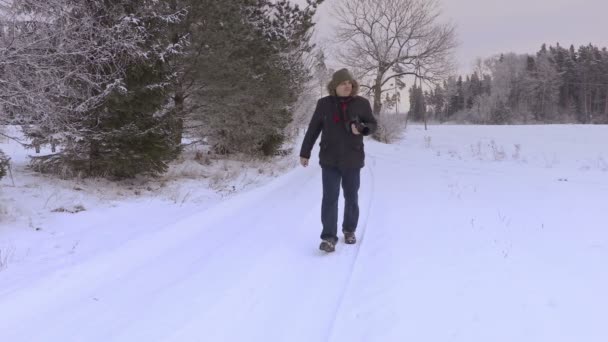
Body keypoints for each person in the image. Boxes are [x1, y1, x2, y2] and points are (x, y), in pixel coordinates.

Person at [299, 68, 377, 253]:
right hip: (330, 159)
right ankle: (328, 238)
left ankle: (349, 230)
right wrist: (305, 152)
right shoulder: (324, 104)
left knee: (351, 197)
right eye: (343, 83)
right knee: (330, 199)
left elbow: (373, 124)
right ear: (335, 86)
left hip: (353, 158)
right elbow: (313, 129)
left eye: (350, 83)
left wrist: (363, 129)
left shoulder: (362, 103)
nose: (347, 86)